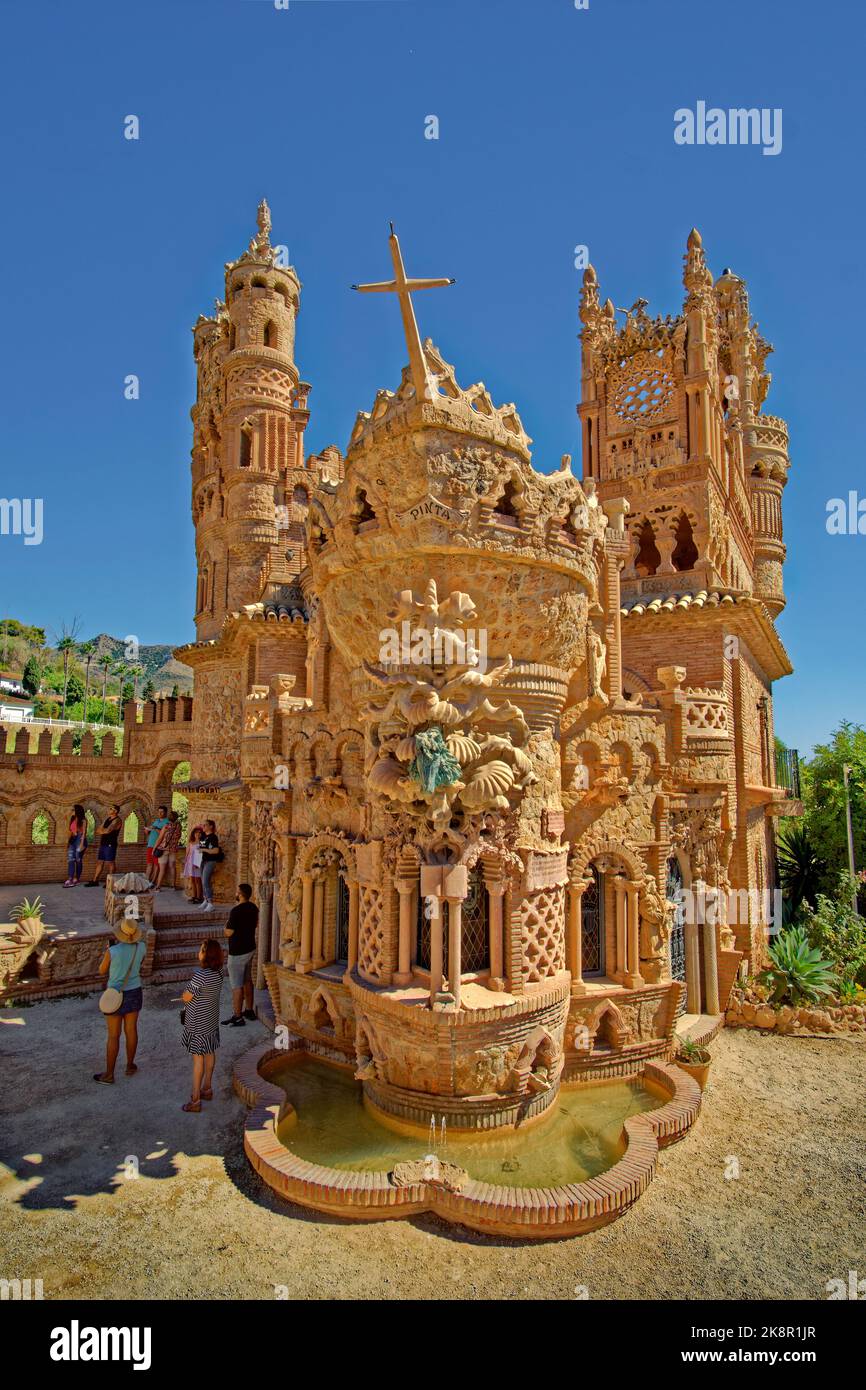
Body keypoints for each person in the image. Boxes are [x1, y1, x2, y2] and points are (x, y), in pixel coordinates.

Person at [94, 918, 146, 1083]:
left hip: (115, 993)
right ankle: (130, 1065)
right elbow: (140, 964)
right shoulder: (142, 947)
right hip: (134, 991)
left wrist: (107, 953)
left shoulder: (113, 951)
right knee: (131, 1031)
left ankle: (109, 1074)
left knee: (113, 1036)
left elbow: (101, 971)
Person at [180, 938, 224, 1112]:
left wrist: (184, 993)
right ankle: (207, 1088)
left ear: (206, 954)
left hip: (198, 1023)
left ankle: (195, 1099)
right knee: (210, 1052)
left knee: (198, 1059)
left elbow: (186, 997)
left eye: (201, 950)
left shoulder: (200, 975)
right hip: (211, 1020)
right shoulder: (219, 974)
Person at [222, 883, 258, 1027]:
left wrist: (225, 927)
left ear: (241, 894)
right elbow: (255, 924)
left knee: (237, 985)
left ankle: (237, 1016)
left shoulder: (235, 911)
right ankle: (249, 1010)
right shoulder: (254, 908)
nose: (235, 894)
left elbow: (229, 932)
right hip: (250, 949)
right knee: (247, 980)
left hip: (237, 953)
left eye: (237, 892)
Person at [86, 804, 122, 886]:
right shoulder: (107, 819)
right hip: (103, 843)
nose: (108, 810)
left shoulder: (117, 820)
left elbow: (108, 830)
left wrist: (103, 830)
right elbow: (98, 830)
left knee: (110, 862)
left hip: (110, 844)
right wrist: (103, 830)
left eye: (110, 809)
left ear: (115, 811)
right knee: (100, 862)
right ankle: (95, 881)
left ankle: (110, 882)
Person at [153, 809, 183, 891]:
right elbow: (179, 837)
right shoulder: (179, 826)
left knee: (162, 869)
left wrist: (154, 848)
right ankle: (173, 886)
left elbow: (160, 838)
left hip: (164, 849)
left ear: (169, 818)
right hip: (173, 849)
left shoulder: (166, 826)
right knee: (172, 867)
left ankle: (158, 887)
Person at [198, 819, 221, 912]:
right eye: (202, 825)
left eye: (205, 825)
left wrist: (204, 850)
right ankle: (206, 900)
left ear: (211, 826)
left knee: (206, 881)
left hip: (210, 861)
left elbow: (216, 850)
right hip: (202, 861)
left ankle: (211, 903)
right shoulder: (203, 836)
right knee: (203, 881)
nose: (203, 827)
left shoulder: (213, 837)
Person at [63, 804, 88, 887]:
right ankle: (70, 878)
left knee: (78, 859)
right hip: (73, 840)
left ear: (77, 811)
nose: (72, 811)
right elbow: (70, 831)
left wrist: (81, 844)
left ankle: (77, 878)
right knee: (70, 859)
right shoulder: (72, 819)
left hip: (80, 840)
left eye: (73, 810)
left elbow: (84, 833)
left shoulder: (84, 820)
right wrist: (68, 842)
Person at [144, 805, 169, 883]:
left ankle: (153, 882)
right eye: (159, 812)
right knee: (149, 863)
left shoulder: (167, 822)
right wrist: (147, 831)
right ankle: (146, 881)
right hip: (150, 845)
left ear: (165, 812)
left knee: (156, 865)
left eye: (162, 812)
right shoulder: (156, 821)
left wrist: (155, 828)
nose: (160, 813)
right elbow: (151, 832)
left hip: (158, 846)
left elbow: (164, 834)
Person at [183, 825, 204, 903]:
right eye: (196, 833)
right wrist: (186, 861)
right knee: (192, 880)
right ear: (193, 834)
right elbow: (187, 853)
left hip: (197, 862)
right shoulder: (191, 842)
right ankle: (194, 896)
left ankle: (199, 897)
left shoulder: (202, 843)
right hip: (190, 863)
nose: (198, 834)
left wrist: (198, 863)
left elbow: (201, 854)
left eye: (200, 833)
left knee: (198, 880)